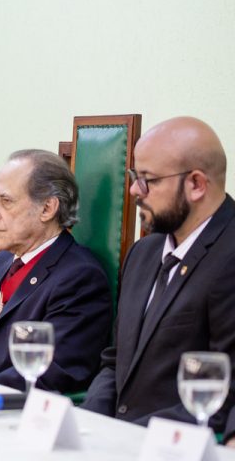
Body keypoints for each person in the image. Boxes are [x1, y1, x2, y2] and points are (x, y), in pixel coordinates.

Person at [82, 117, 235, 441]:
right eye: (134, 177)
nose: (134, 191)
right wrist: (89, 425)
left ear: (196, 184)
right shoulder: (143, 253)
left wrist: (127, 438)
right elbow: (115, 361)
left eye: (147, 180)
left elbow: (225, 393)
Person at [0, 149, 111, 393]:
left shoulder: (80, 278)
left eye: (6, 201)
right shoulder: (0, 262)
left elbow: (53, 371)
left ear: (47, 208)